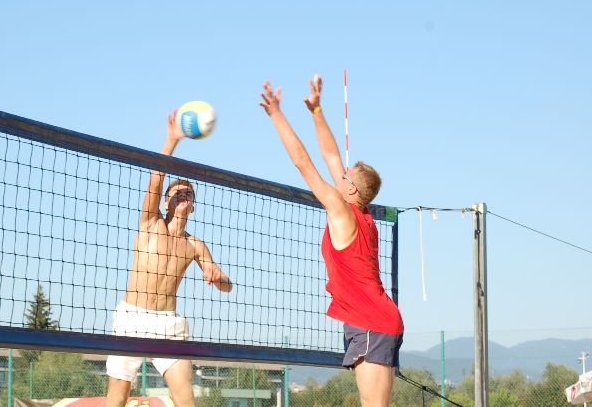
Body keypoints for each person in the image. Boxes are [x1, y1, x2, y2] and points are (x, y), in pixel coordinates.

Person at [260, 77, 404, 407]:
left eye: (345, 175)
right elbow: (330, 154)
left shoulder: (341, 211)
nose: (339, 173)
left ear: (350, 189)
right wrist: (317, 111)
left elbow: (303, 162)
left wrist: (276, 114)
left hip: (370, 322)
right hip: (377, 320)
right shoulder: (362, 213)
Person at [105, 111, 233, 407]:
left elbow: (228, 286)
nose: (183, 194)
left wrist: (218, 278)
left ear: (193, 206)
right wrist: (171, 140)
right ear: (165, 202)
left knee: (184, 396)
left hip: (168, 324)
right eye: (177, 192)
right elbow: (155, 180)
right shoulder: (150, 223)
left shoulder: (196, 245)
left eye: (188, 193)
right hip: (131, 317)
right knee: (117, 397)